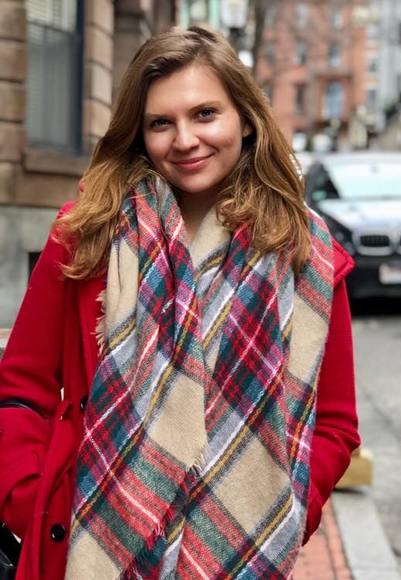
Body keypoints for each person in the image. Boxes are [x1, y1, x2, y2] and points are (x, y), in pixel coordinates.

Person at [0, 26, 360, 579]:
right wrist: (37, 503)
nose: (185, 139)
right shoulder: (87, 234)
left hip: (244, 552)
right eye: (161, 123)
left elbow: (335, 425)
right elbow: (21, 390)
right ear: (139, 133)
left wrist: (283, 517)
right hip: (90, 543)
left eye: (205, 114)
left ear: (245, 119)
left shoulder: (304, 254)